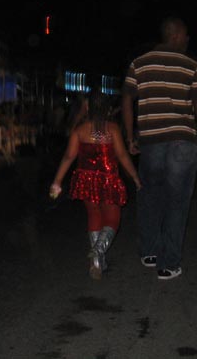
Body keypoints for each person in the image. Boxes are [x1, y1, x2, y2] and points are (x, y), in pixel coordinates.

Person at [122, 17, 197, 281]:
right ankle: (168, 264)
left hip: (151, 140)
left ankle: (149, 251)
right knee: (177, 201)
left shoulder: (139, 63)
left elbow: (126, 98)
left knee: (150, 195)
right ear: (177, 35)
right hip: (182, 139)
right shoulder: (192, 66)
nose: (188, 40)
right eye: (186, 35)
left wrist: (128, 136)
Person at [49, 90, 140, 280]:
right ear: (108, 109)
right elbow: (123, 156)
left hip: (86, 180)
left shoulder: (80, 130)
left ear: (88, 107)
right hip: (107, 179)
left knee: (94, 215)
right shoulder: (113, 129)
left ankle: (96, 263)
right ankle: (98, 250)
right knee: (113, 218)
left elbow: (69, 156)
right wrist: (135, 177)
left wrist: (57, 181)